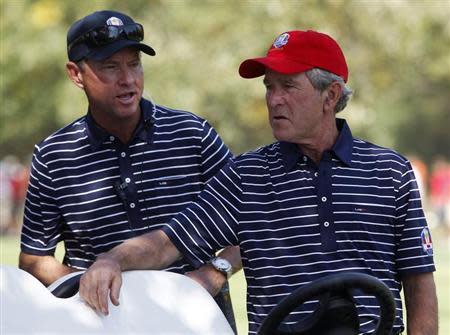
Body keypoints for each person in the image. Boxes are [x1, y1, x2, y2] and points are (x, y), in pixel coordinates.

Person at [79, 30, 438, 334]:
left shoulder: (390, 171)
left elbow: (419, 283)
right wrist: (112, 260)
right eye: (269, 87)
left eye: (287, 86)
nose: (273, 99)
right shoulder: (246, 174)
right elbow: (168, 242)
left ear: (330, 96)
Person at [19, 10, 241, 329]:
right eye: (110, 67)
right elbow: (33, 259)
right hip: (101, 321)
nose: (128, 79)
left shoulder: (192, 133)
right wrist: (87, 284)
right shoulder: (54, 155)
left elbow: (254, 217)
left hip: (197, 317)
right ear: (75, 74)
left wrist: (215, 272)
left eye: (134, 63)